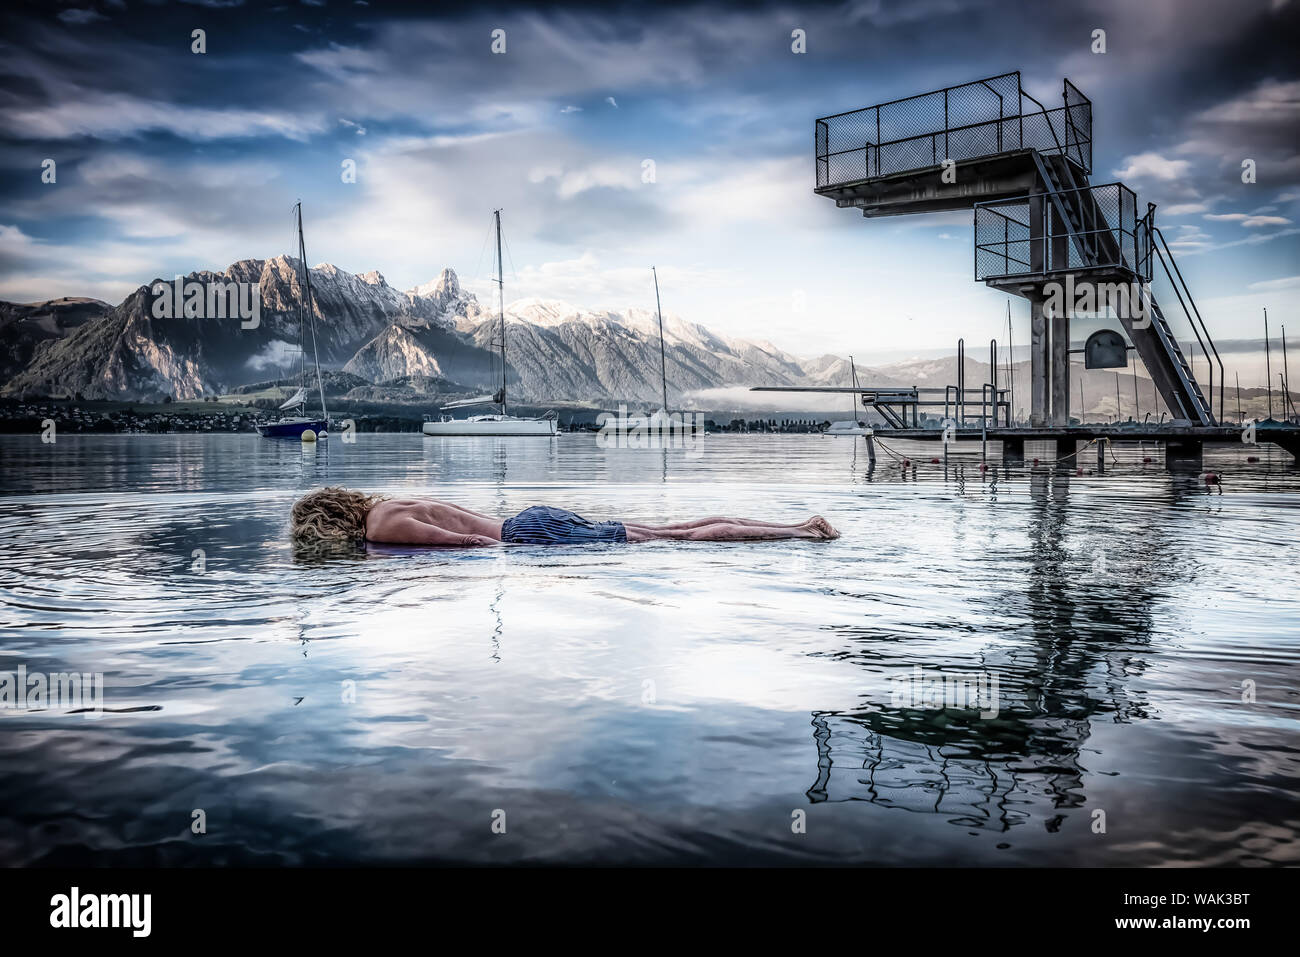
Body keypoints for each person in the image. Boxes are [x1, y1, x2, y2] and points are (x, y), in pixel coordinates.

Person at [290, 487, 840, 546]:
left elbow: (470, 546)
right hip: (530, 518)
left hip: (526, 535)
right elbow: (454, 522)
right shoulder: (389, 504)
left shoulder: (379, 528)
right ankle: (794, 527)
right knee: (673, 531)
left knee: (680, 539)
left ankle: (798, 531)